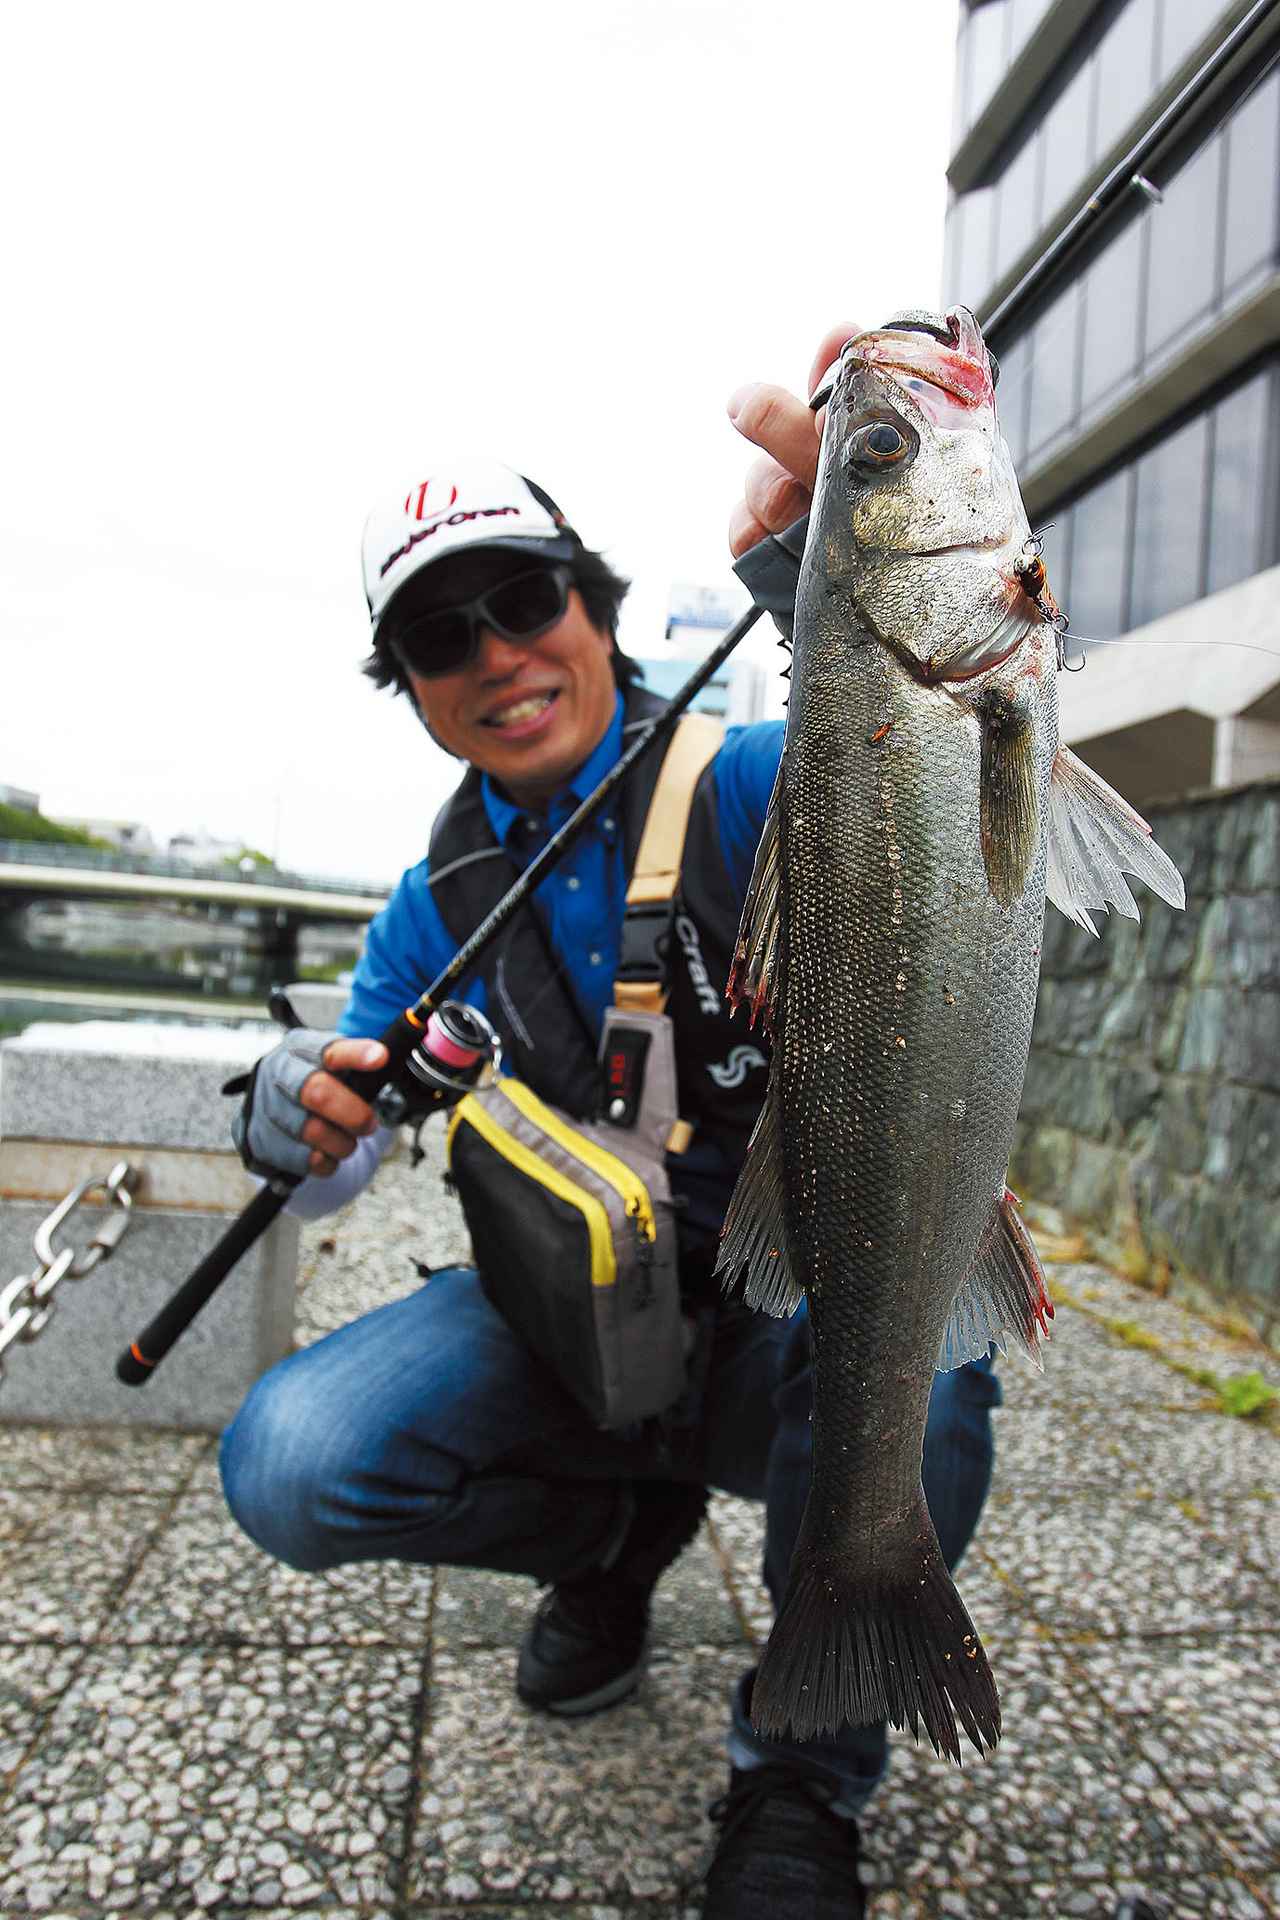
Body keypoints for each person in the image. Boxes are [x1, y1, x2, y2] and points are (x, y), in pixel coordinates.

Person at [219, 324, 1004, 1918]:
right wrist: (291, 1115)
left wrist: (838, 573)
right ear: (415, 692)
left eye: (523, 598)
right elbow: (335, 1157)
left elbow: (925, 753)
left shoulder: (737, 778)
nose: (497, 653)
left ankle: (801, 1771)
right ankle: (613, 1542)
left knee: (928, 1378)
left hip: (793, 1292)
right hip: (582, 1330)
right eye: (441, 636)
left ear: (595, 607)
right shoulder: (429, 901)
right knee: (290, 1464)